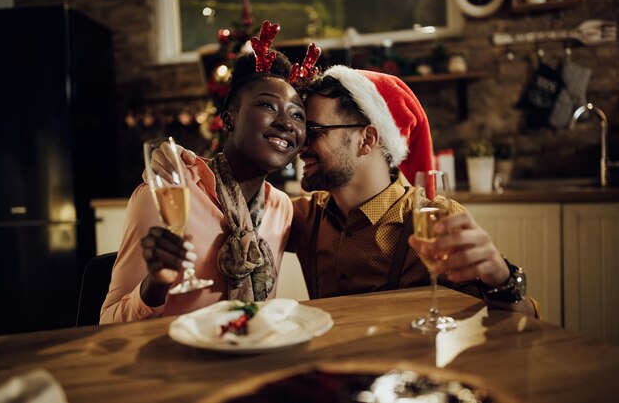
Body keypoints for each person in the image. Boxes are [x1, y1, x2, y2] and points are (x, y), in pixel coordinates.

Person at [156, 66, 538, 317]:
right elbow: (233, 194)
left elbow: (517, 323)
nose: (300, 142)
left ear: (367, 139)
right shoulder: (304, 216)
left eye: (315, 131)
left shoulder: (432, 218)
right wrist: (183, 164)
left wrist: (502, 278)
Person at [100, 21, 317, 324]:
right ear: (228, 120)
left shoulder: (281, 208)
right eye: (268, 105)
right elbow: (108, 323)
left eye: (298, 115)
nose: (287, 123)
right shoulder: (166, 195)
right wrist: (156, 285)